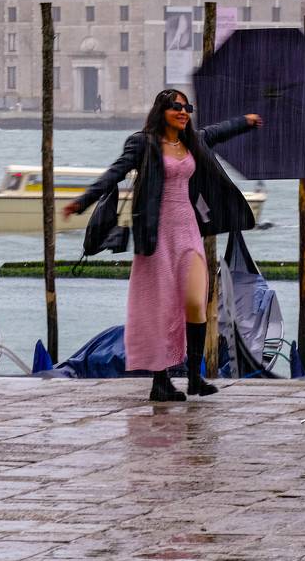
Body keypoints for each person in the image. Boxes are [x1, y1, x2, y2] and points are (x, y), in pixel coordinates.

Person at [62, 89, 262, 402]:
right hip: (157, 235)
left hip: (188, 231)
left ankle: (194, 378)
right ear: (161, 111)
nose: (183, 112)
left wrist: (245, 122)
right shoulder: (143, 143)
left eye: (187, 107)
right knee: (162, 306)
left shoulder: (192, 141)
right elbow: (115, 172)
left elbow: (217, 132)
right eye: (176, 107)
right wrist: (83, 200)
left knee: (196, 302)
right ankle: (161, 380)